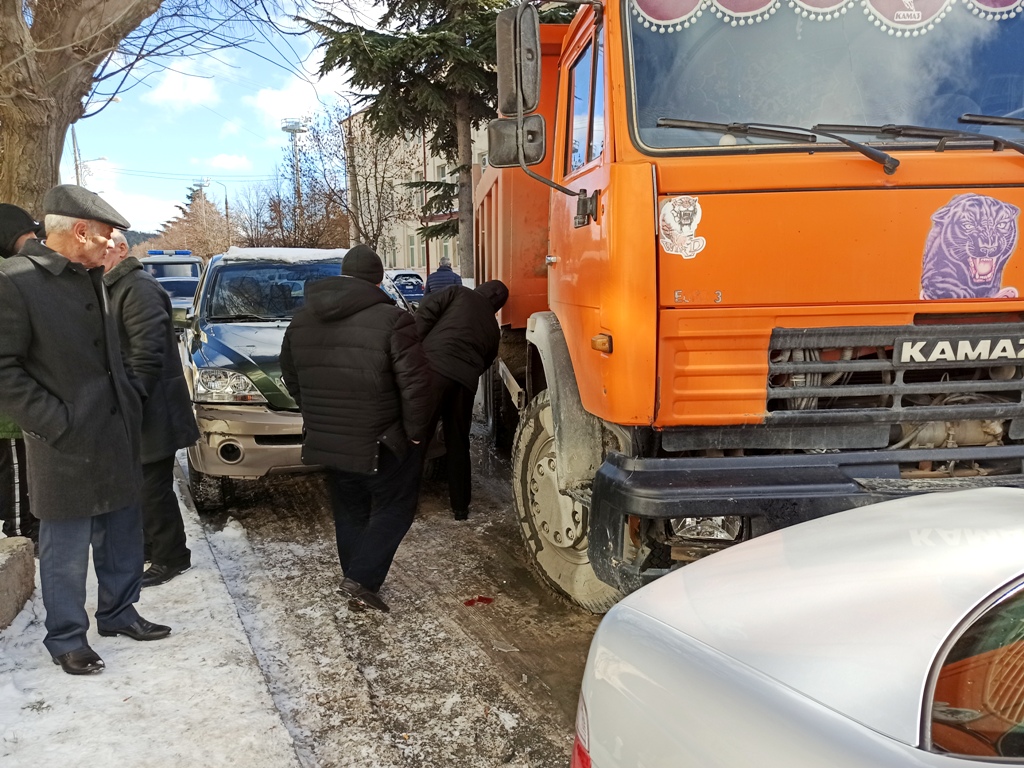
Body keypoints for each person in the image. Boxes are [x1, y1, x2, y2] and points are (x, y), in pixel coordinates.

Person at [0, 185, 171, 676]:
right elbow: (4, 369)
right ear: (80, 232)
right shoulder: (14, 281)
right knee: (67, 548)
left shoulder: (88, 274)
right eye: (106, 236)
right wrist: (56, 422)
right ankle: (67, 637)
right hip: (64, 442)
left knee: (122, 533)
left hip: (115, 430)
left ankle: (118, 613)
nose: (112, 245)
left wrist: (131, 397)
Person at [280, 244, 433, 613]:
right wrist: (415, 432)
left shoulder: (301, 320)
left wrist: (316, 414)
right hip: (381, 437)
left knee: (350, 509)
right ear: (378, 279)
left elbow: (292, 375)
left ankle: (355, 577)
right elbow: (415, 385)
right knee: (396, 506)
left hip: (328, 436)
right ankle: (361, 578)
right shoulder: (394, 320)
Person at [103, 231, 200, 587]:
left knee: (152, 486)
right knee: (141, 484)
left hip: (152, 408)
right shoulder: (115, 286)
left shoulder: (137, 287)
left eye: (105, 247)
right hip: (142, 407)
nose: (98, 253)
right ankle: (151, 547)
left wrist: (129, 400)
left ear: (122, 250)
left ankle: (172, 557)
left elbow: (146, 354)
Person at [415, 281, 509, 520]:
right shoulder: (492, 328)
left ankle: (405, 502)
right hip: (464, 384)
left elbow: (427, 309)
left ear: (482, 288)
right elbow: (487, 361)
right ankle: (460, 507)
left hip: (433, 371)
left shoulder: (458, 292)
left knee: (418, 436)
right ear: (497, 307)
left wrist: (417, 343)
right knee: (457, 441)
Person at [0, 204, 42, 543]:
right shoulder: (9, 275)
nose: (33, 242)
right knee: (15, 468)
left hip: (14, 396)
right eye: (26, 235)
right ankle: (20, 531)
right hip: (9, 403)